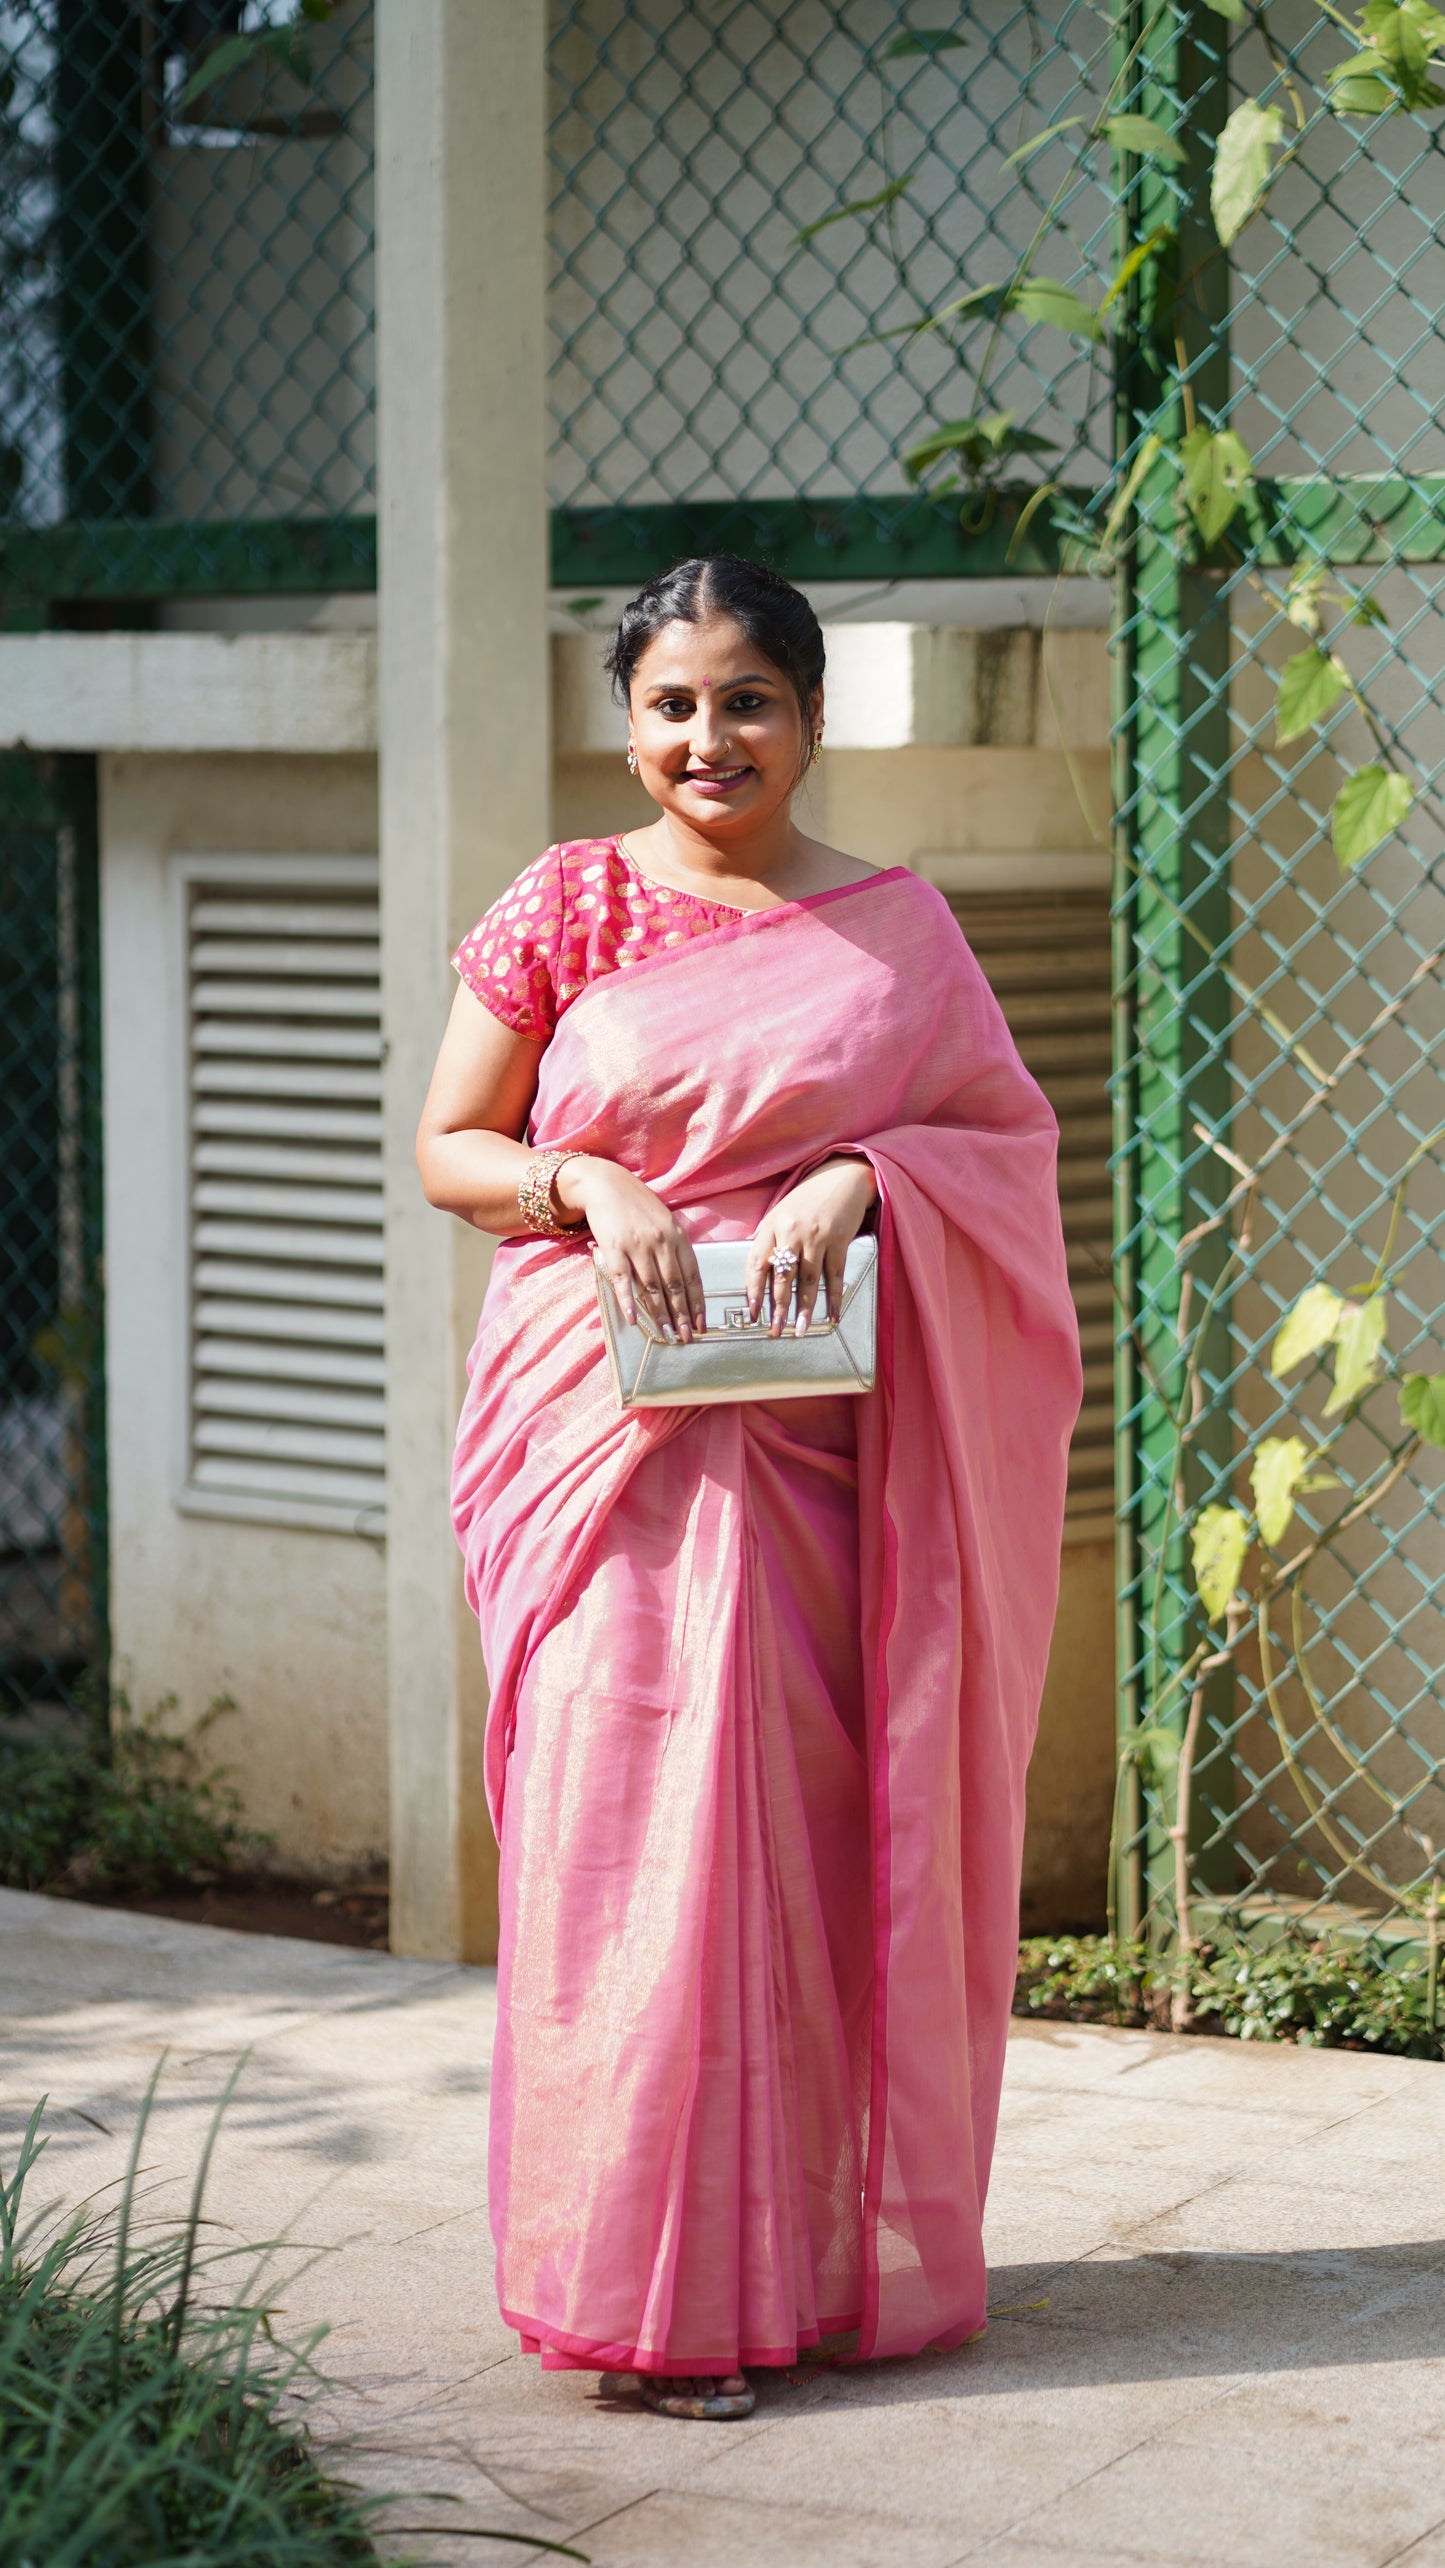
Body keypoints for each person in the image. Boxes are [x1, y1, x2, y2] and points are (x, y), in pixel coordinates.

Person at [416, 555, 1081, 2420]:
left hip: (813, 1446)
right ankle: (634, 2281)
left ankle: (773, 2277)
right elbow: (449, 1142)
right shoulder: (564, 904)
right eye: (671, 705)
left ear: (811, 714)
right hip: (595, 1436)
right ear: (624, 721)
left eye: (748, 701)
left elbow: (997, 1150)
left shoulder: (898, 930)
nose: (708, 739)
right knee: (627, 1838)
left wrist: (863, 1172)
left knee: (790, 1845)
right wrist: (594, 1185)